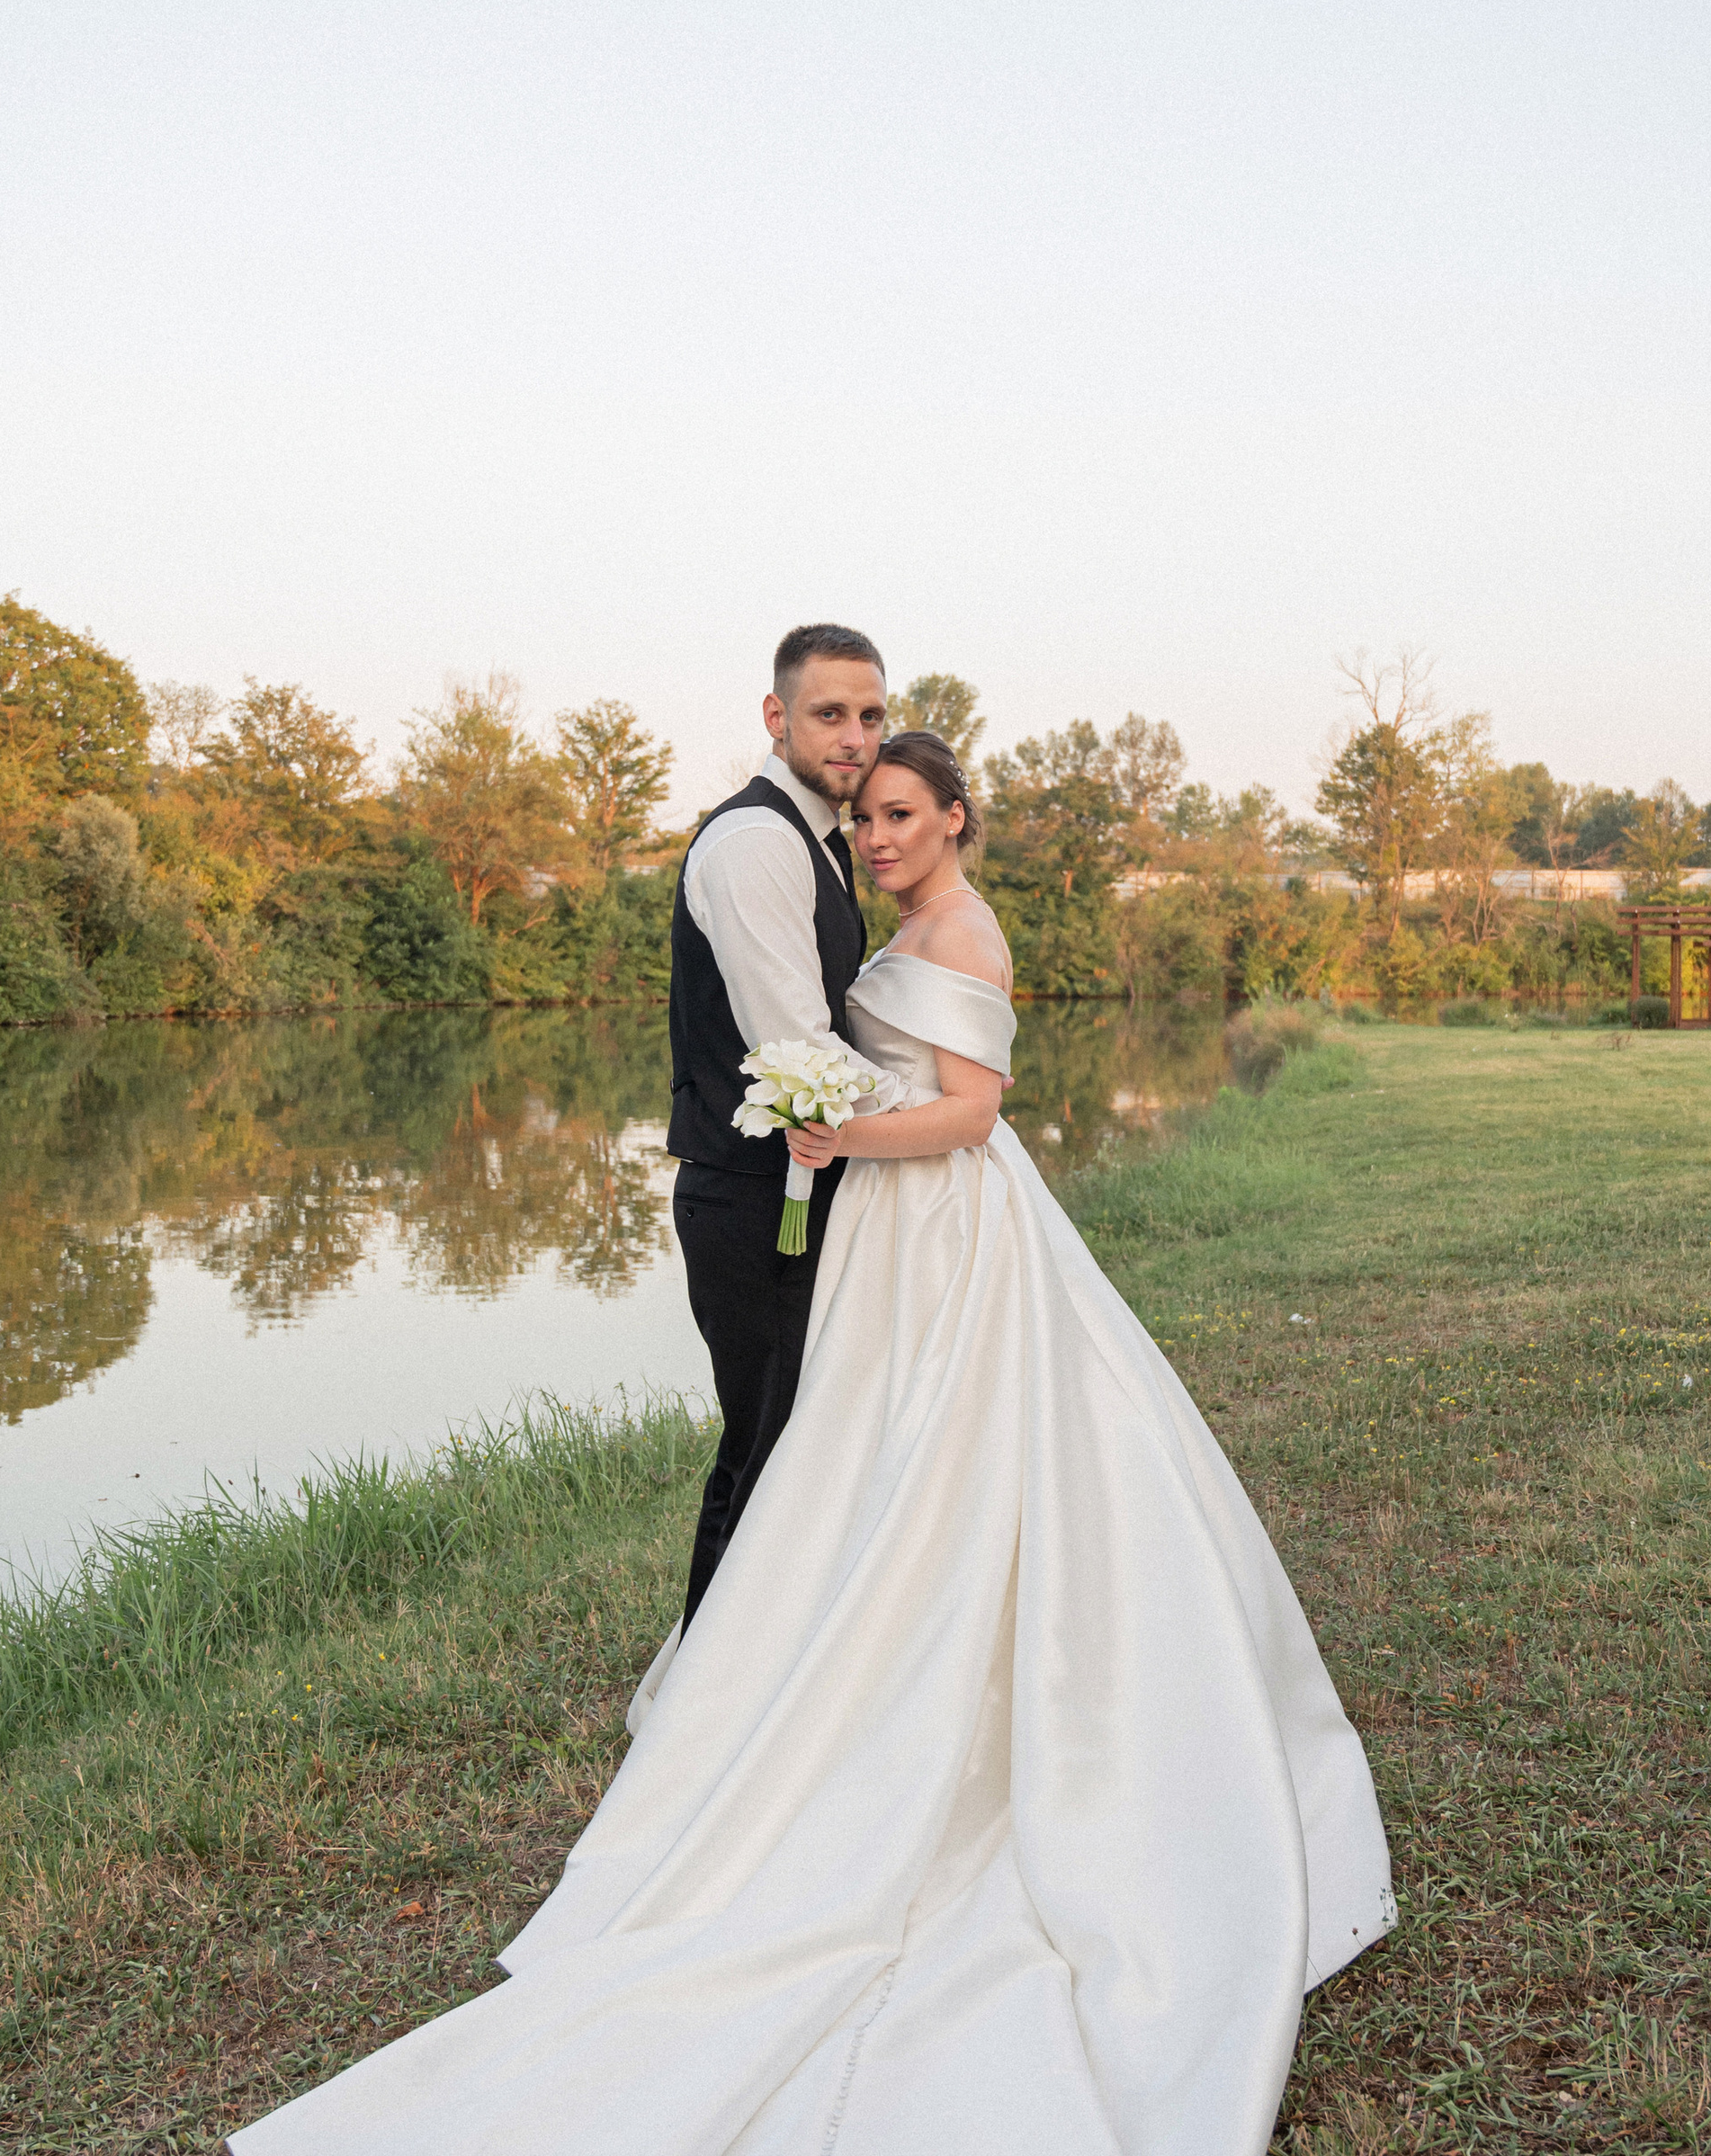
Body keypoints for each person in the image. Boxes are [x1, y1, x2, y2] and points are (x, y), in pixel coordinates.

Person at [231, 728, 1393, 2156]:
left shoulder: (963, 932)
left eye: (904, 813)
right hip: (892, 1237)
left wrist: (841, 1132)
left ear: (957, 818)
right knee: (860, 1462)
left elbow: (973, 1114)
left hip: (953, 1232)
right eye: (867, 818)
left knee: (954, 1464)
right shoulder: (904, 919)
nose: (880, 836)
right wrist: (828, 1109)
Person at [663, 623, 910, 1626]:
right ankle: (700, 1716)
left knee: (807, 1453)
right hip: (754, 1196)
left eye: (871, 714)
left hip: (796, 1189)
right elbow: (796, 1048)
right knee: (763, 1451)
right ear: (777, 717)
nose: (854, 736)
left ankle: (774, 1688)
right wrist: (942, 1117)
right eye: (829, 713)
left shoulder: (815, 837)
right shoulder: (760, 840)